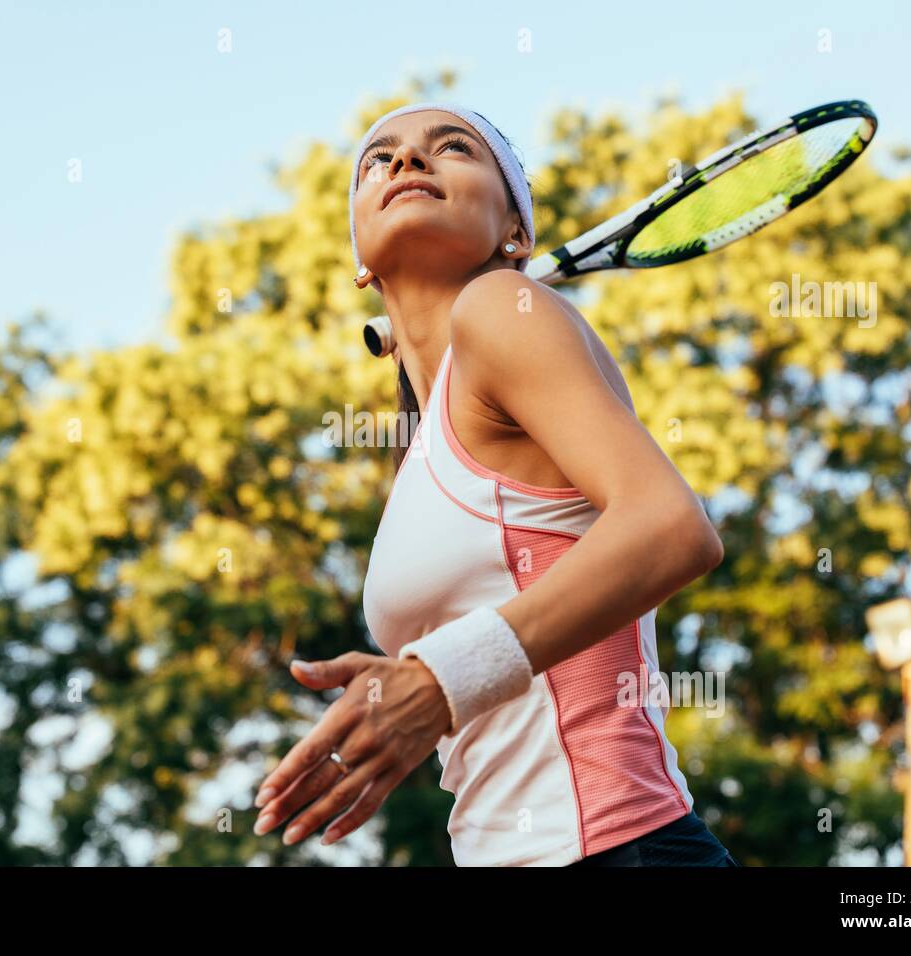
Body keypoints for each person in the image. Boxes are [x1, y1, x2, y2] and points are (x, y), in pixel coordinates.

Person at [253, 102, 737, 866]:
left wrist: (440, 682)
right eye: (378, 160)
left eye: (451, 148)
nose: (406, 162)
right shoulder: (421, 451)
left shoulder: (500, 308)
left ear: (516, 233)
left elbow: (671, 526)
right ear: (358, 256)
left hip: (616, 848)